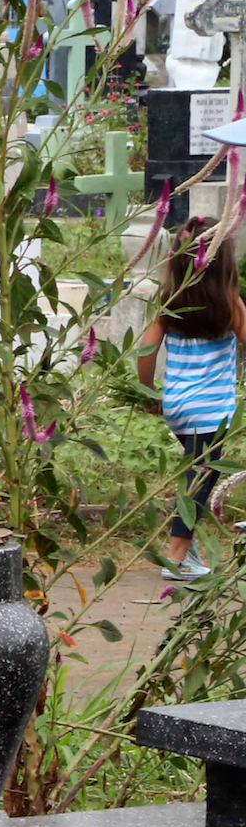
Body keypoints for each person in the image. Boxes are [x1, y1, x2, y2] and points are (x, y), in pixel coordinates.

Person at [136, 225, 246, 581]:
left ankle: (189, 549)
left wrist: (148, 391)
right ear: (224, 263)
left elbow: (146, 350)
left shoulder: (169, 301)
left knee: (194, 474)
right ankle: (177, 556)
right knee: (198, 481)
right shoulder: (231, 304)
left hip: (178, 408)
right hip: (213, 412)